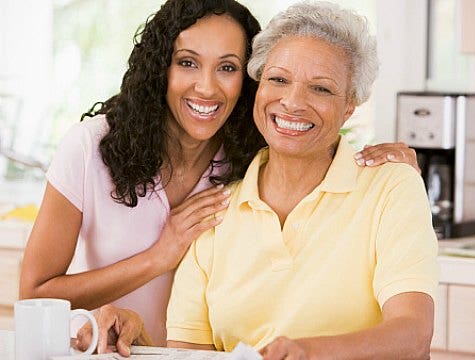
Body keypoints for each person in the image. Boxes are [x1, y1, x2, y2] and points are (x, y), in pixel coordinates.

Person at [20, 0, 421, 349]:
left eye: (227, 67)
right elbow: (34, 295)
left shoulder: (246, 156)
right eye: (187, 62)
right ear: (161, 67)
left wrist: (398, 171)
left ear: (247, 80)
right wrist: (160, 255)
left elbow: (305, 132)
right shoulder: (93, 148)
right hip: (120, 345)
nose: (207, 88)